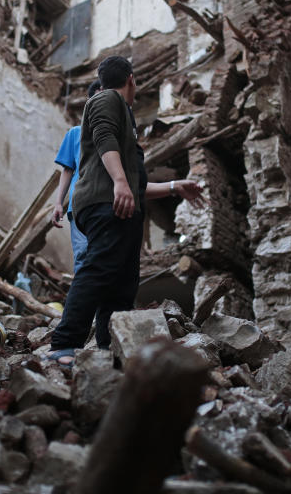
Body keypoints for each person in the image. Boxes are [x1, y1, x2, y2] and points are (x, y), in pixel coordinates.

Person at [49, 56, 203, 365]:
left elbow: (135, 184)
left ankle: (109, 348)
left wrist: (174, 187)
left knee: (122, 282)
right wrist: (119, 180)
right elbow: (105, 140)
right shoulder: (108, 99)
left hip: (122, 206)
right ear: (131, 80)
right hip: (103, 203)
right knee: (98, 268)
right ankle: (64, 344)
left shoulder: (126, 119)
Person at [52, 79, 103, 275]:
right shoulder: (75, 134)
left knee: (103, 258)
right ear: (89, 102)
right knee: (82, 257)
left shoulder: (114, 133)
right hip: (79, 205)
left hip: (106, 204)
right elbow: (67, 170)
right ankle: (83, 305)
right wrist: (58, 203)